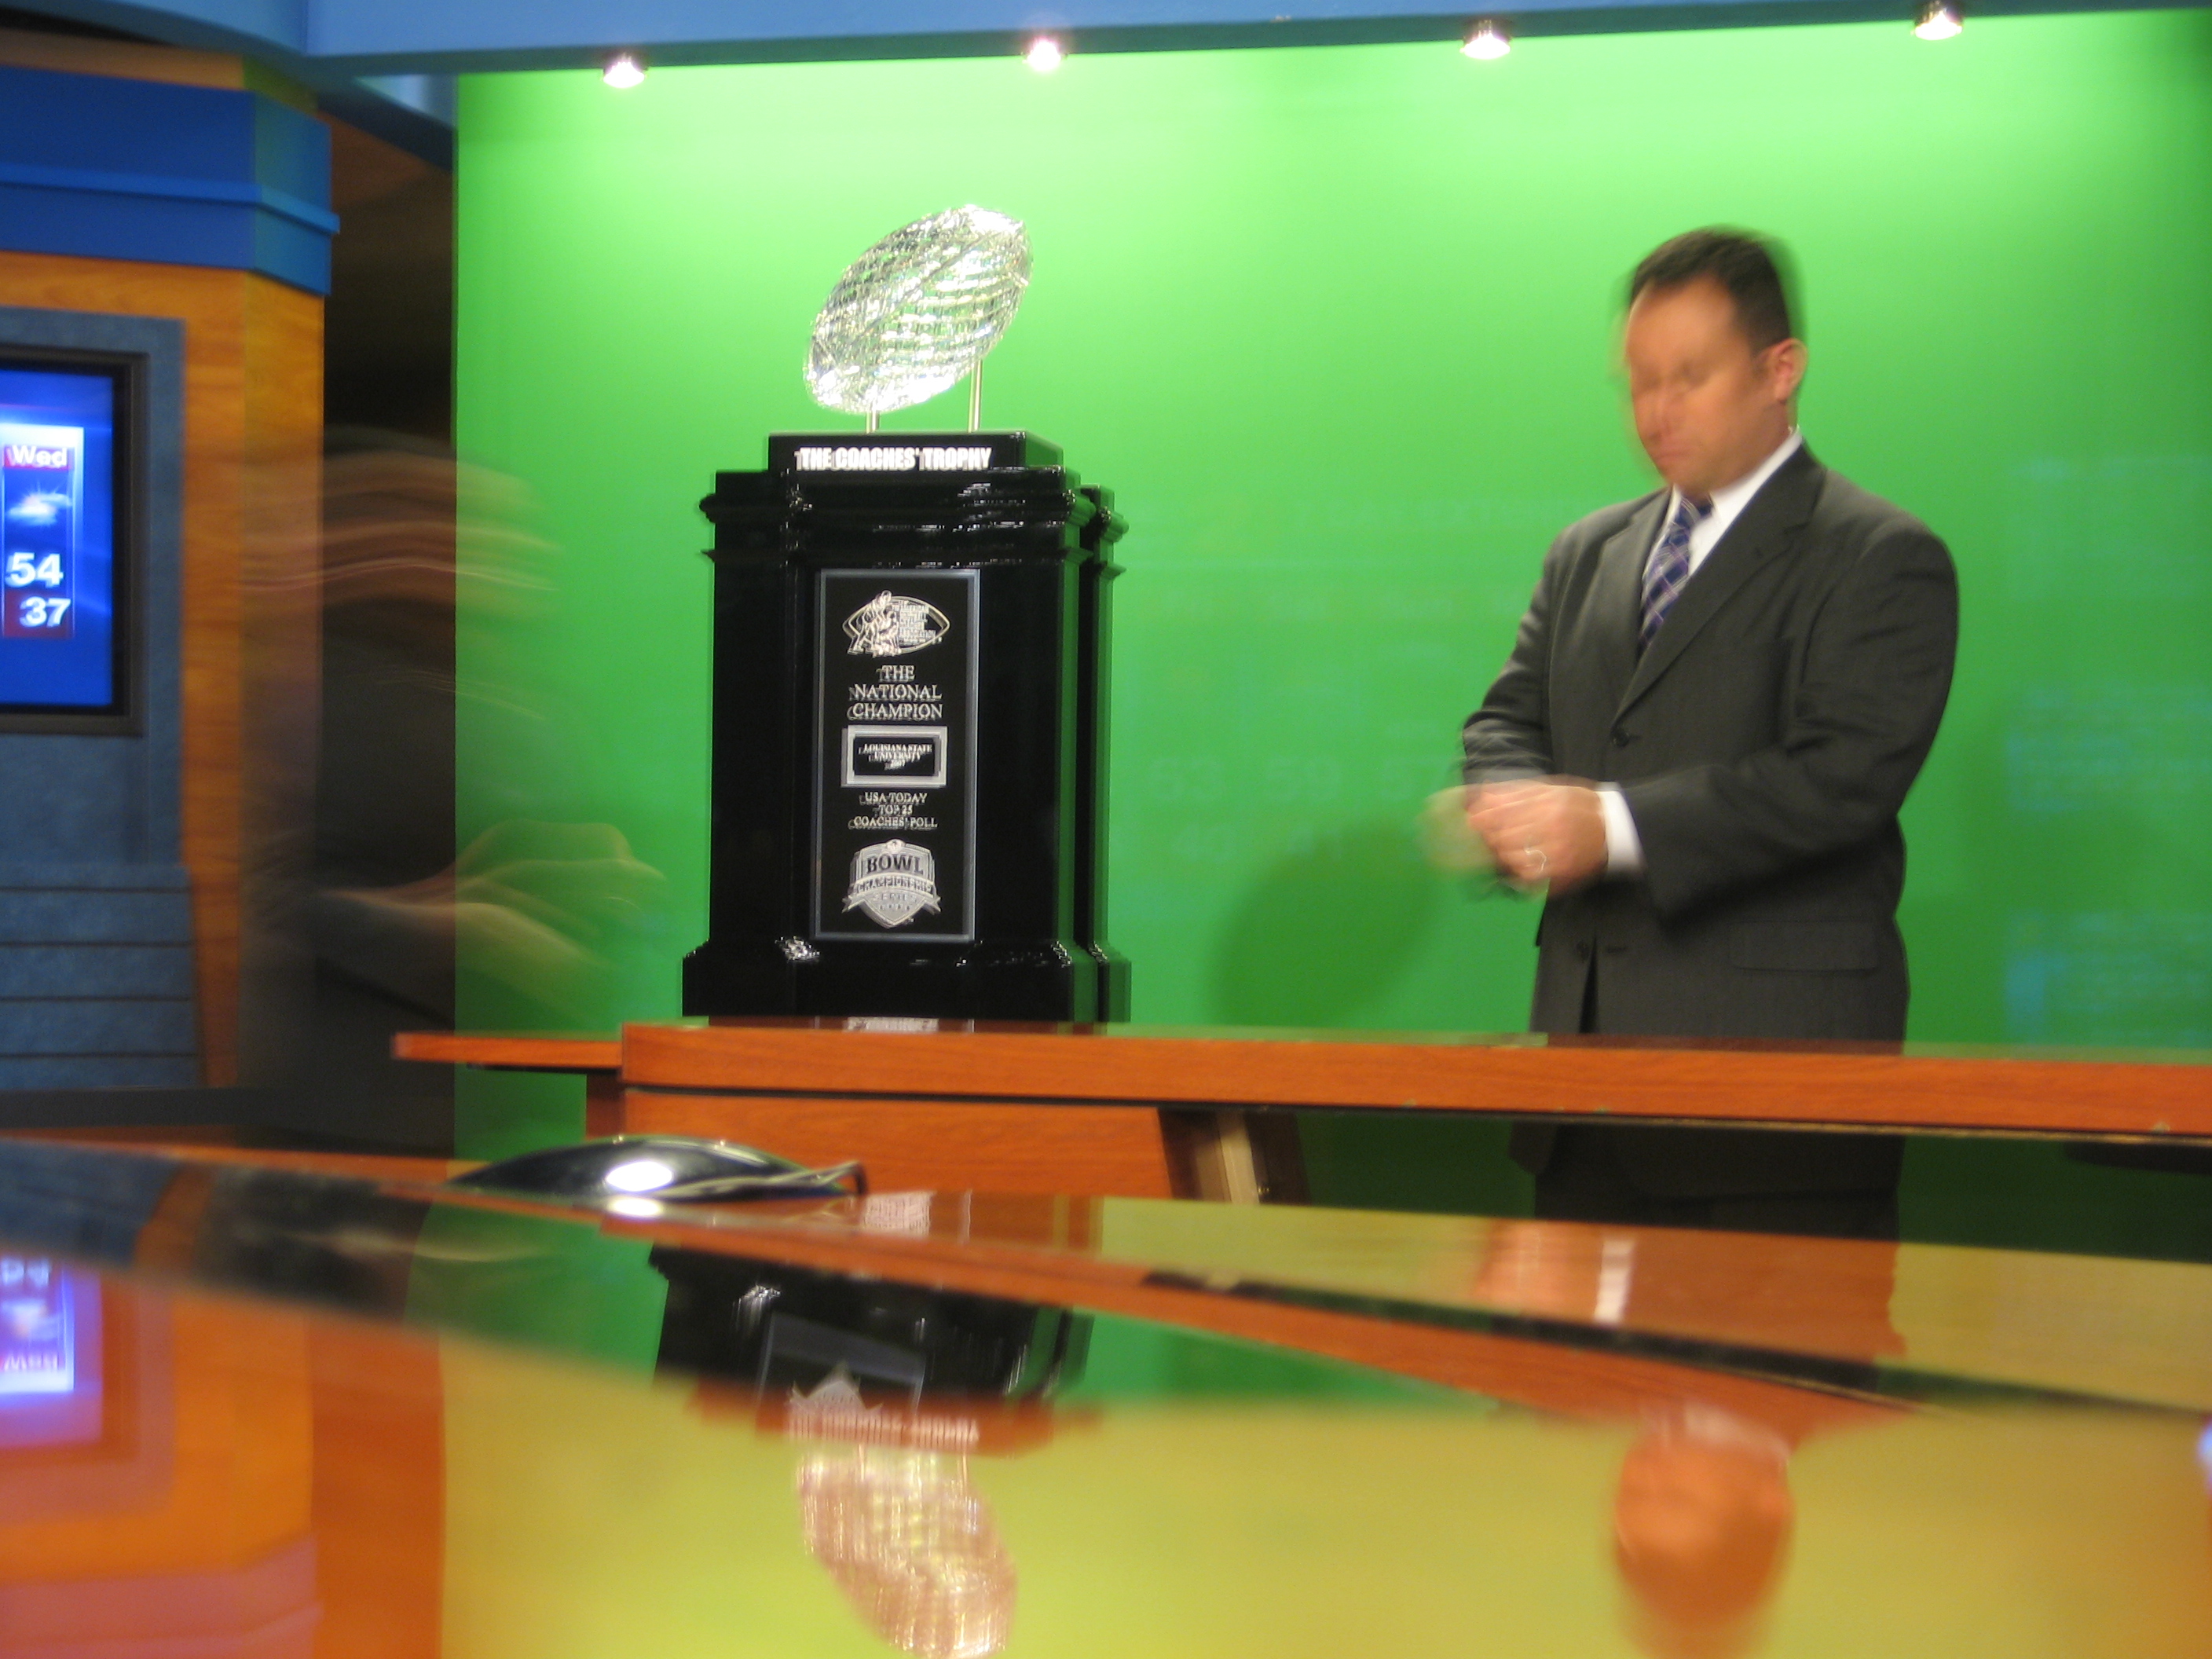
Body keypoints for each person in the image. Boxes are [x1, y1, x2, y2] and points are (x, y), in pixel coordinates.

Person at [1460, 229, 1958, 1237]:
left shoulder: (1878, 555)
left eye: (1687, 377)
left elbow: (1838, 780)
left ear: (1780, 369)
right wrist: (1507, 803)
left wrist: (1609, 827)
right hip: (1580, 1094)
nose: (1656, 411)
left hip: (1772, 1109)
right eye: (1638, 383)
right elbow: (1506, 718)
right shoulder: (1587, 551)